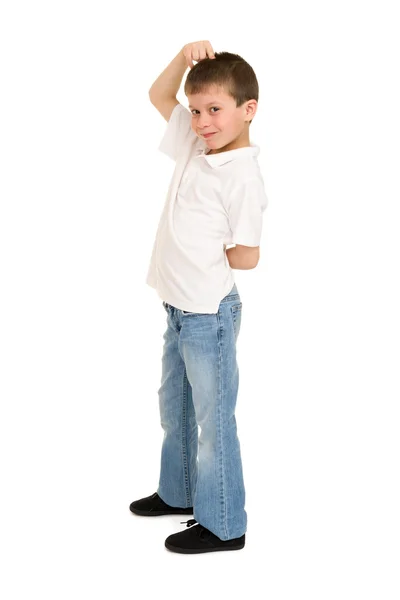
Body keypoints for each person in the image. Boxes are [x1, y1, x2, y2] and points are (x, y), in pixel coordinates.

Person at [129, 40, 268, 554]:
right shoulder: (195, 143)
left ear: (247, 109)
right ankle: (180, 493)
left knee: (214, 418)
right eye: (195, 110)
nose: (202, 121)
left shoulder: (242, 177)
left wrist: (204, 255)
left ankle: (224, 522)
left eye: (215, 110)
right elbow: (156, 93)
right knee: (176, 405)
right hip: (177, 307)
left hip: (209, 312)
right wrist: (184, 58)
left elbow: (248, 256)